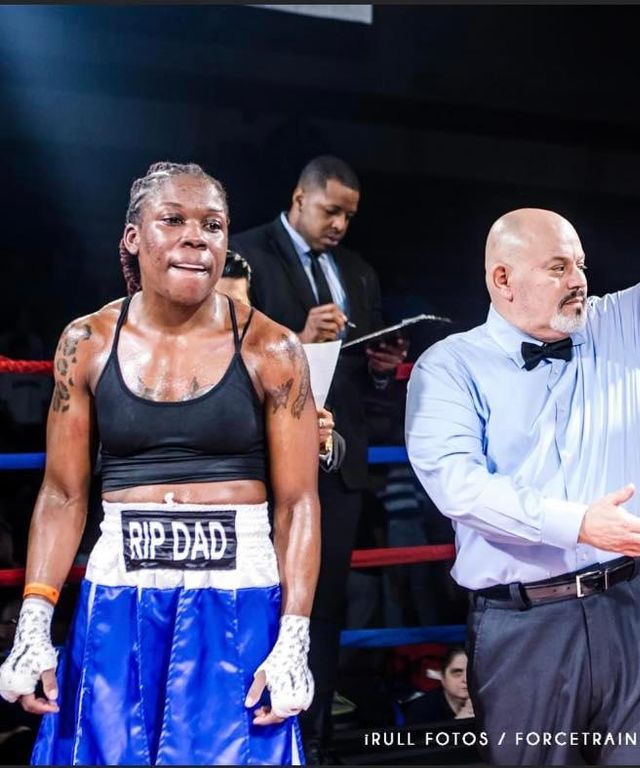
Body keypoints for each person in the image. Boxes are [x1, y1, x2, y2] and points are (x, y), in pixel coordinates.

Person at [404, 85, 640, 765]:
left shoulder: (618, 323)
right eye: (558, 266)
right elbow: (459, 487)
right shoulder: (448, 367)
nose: (579, 278)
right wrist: (575, 523)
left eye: (580, 263)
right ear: (502, 279)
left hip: (632, 605)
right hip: (524, 623)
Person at [0, 162, 322, 765]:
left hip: (236, 594)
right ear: (132, 237)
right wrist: (34, 620)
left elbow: (298, 502)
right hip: (120, 591)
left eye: (213, 224)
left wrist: (294, 634)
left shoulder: (273, 348)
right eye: (172, 220)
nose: (196, 237)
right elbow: (63, 493)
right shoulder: (86, 342)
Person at [230, 155, 405, 762]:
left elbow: (362, 380)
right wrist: (295, 342)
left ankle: (314, 743)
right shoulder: (244, 255)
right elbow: (224, 356)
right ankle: (247, 740)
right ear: (298, 198)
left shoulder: (357, 272)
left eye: (349, 216)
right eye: (331, 210)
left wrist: (384, 371)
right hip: (261, 466)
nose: (340, 225)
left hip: (336, 463)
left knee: (324, 611)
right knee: (262, 600)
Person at [219, 250, 345, 473]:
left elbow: (332, 442)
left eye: (238, 306)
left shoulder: (278, 362)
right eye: (216, 305)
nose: (227, 316)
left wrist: (321, 437)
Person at [402, 647, 474, 724]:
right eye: (457, 673)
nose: (466, 680)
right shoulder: (421, 710)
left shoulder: (487, 703)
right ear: (442, 677)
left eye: (472, 673)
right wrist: (459, 724)